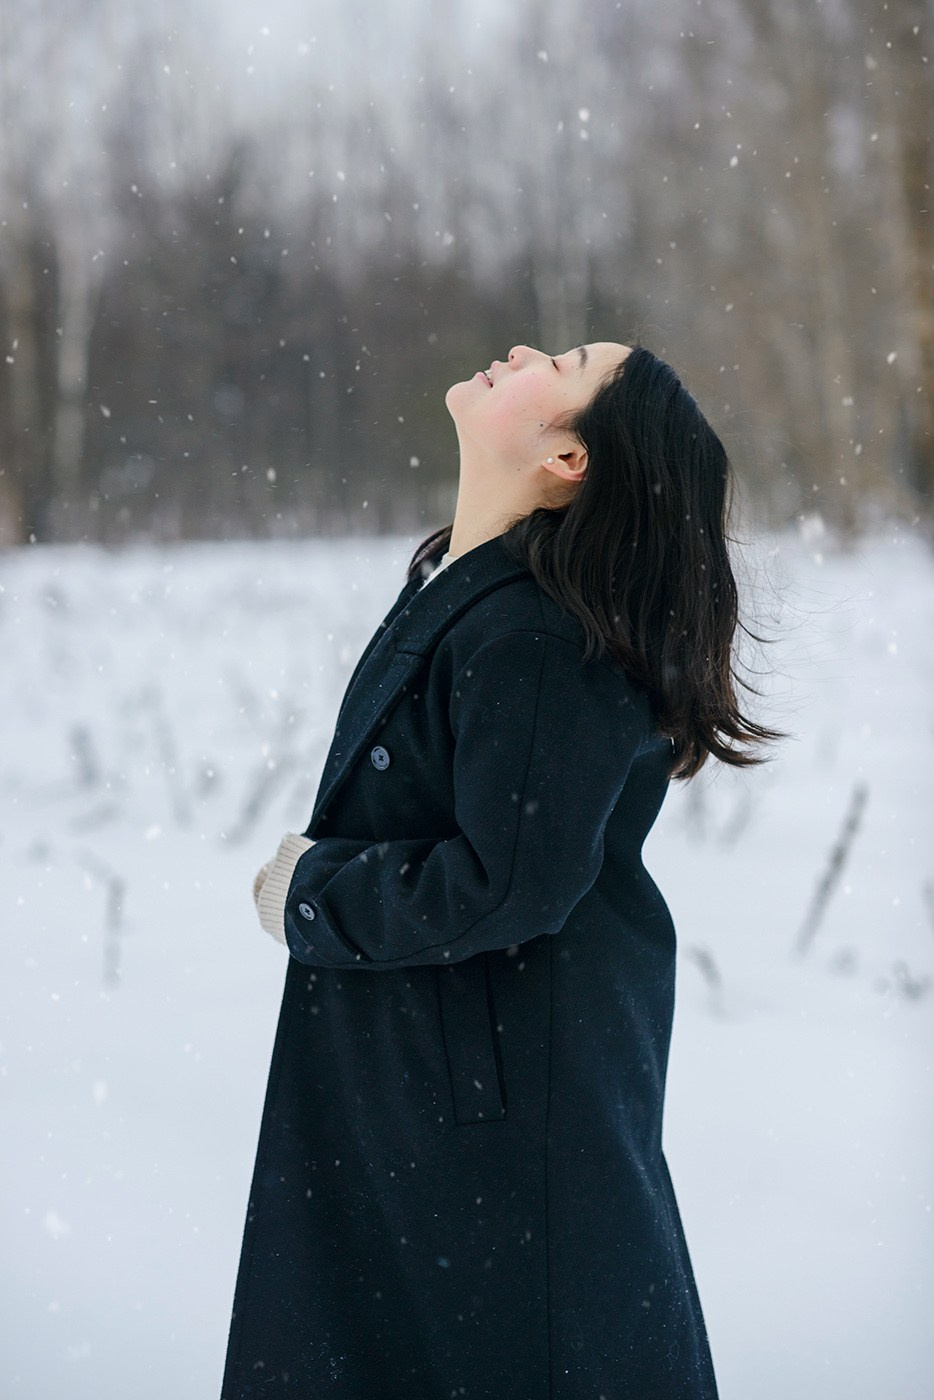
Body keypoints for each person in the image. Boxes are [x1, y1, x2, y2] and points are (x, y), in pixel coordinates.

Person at [220, 341, 784, 1398]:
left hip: (489, 1121)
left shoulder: (530, 634)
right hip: (446, 1096)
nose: (522, 348)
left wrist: (310, 894)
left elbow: (508, 881)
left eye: (560, 361)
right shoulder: (478, 594)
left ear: (569, 455)